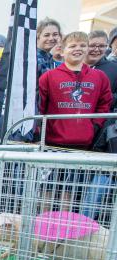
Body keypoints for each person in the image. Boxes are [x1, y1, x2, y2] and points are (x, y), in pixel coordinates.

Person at [40, 31, 112, 218]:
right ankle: (42, 233)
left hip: (82, 146)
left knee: (70, 193)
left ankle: (61, 236)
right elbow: (40, 107)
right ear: (62, 51)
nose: (78, 49)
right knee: (48, 190)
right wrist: (43, 131)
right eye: (72, 46)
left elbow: (104, 104)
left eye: (82, 45)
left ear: (87, 49)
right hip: (53, 145)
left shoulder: (100, 77)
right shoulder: (49, 77)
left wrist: (94, 125)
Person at [87, 30, 117, 104]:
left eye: (101, 46)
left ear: (107, 47)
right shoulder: (74, 65)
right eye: (92, 45)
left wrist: (104, 96)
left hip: (101, 114)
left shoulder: (115, 68)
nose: (97, 49)